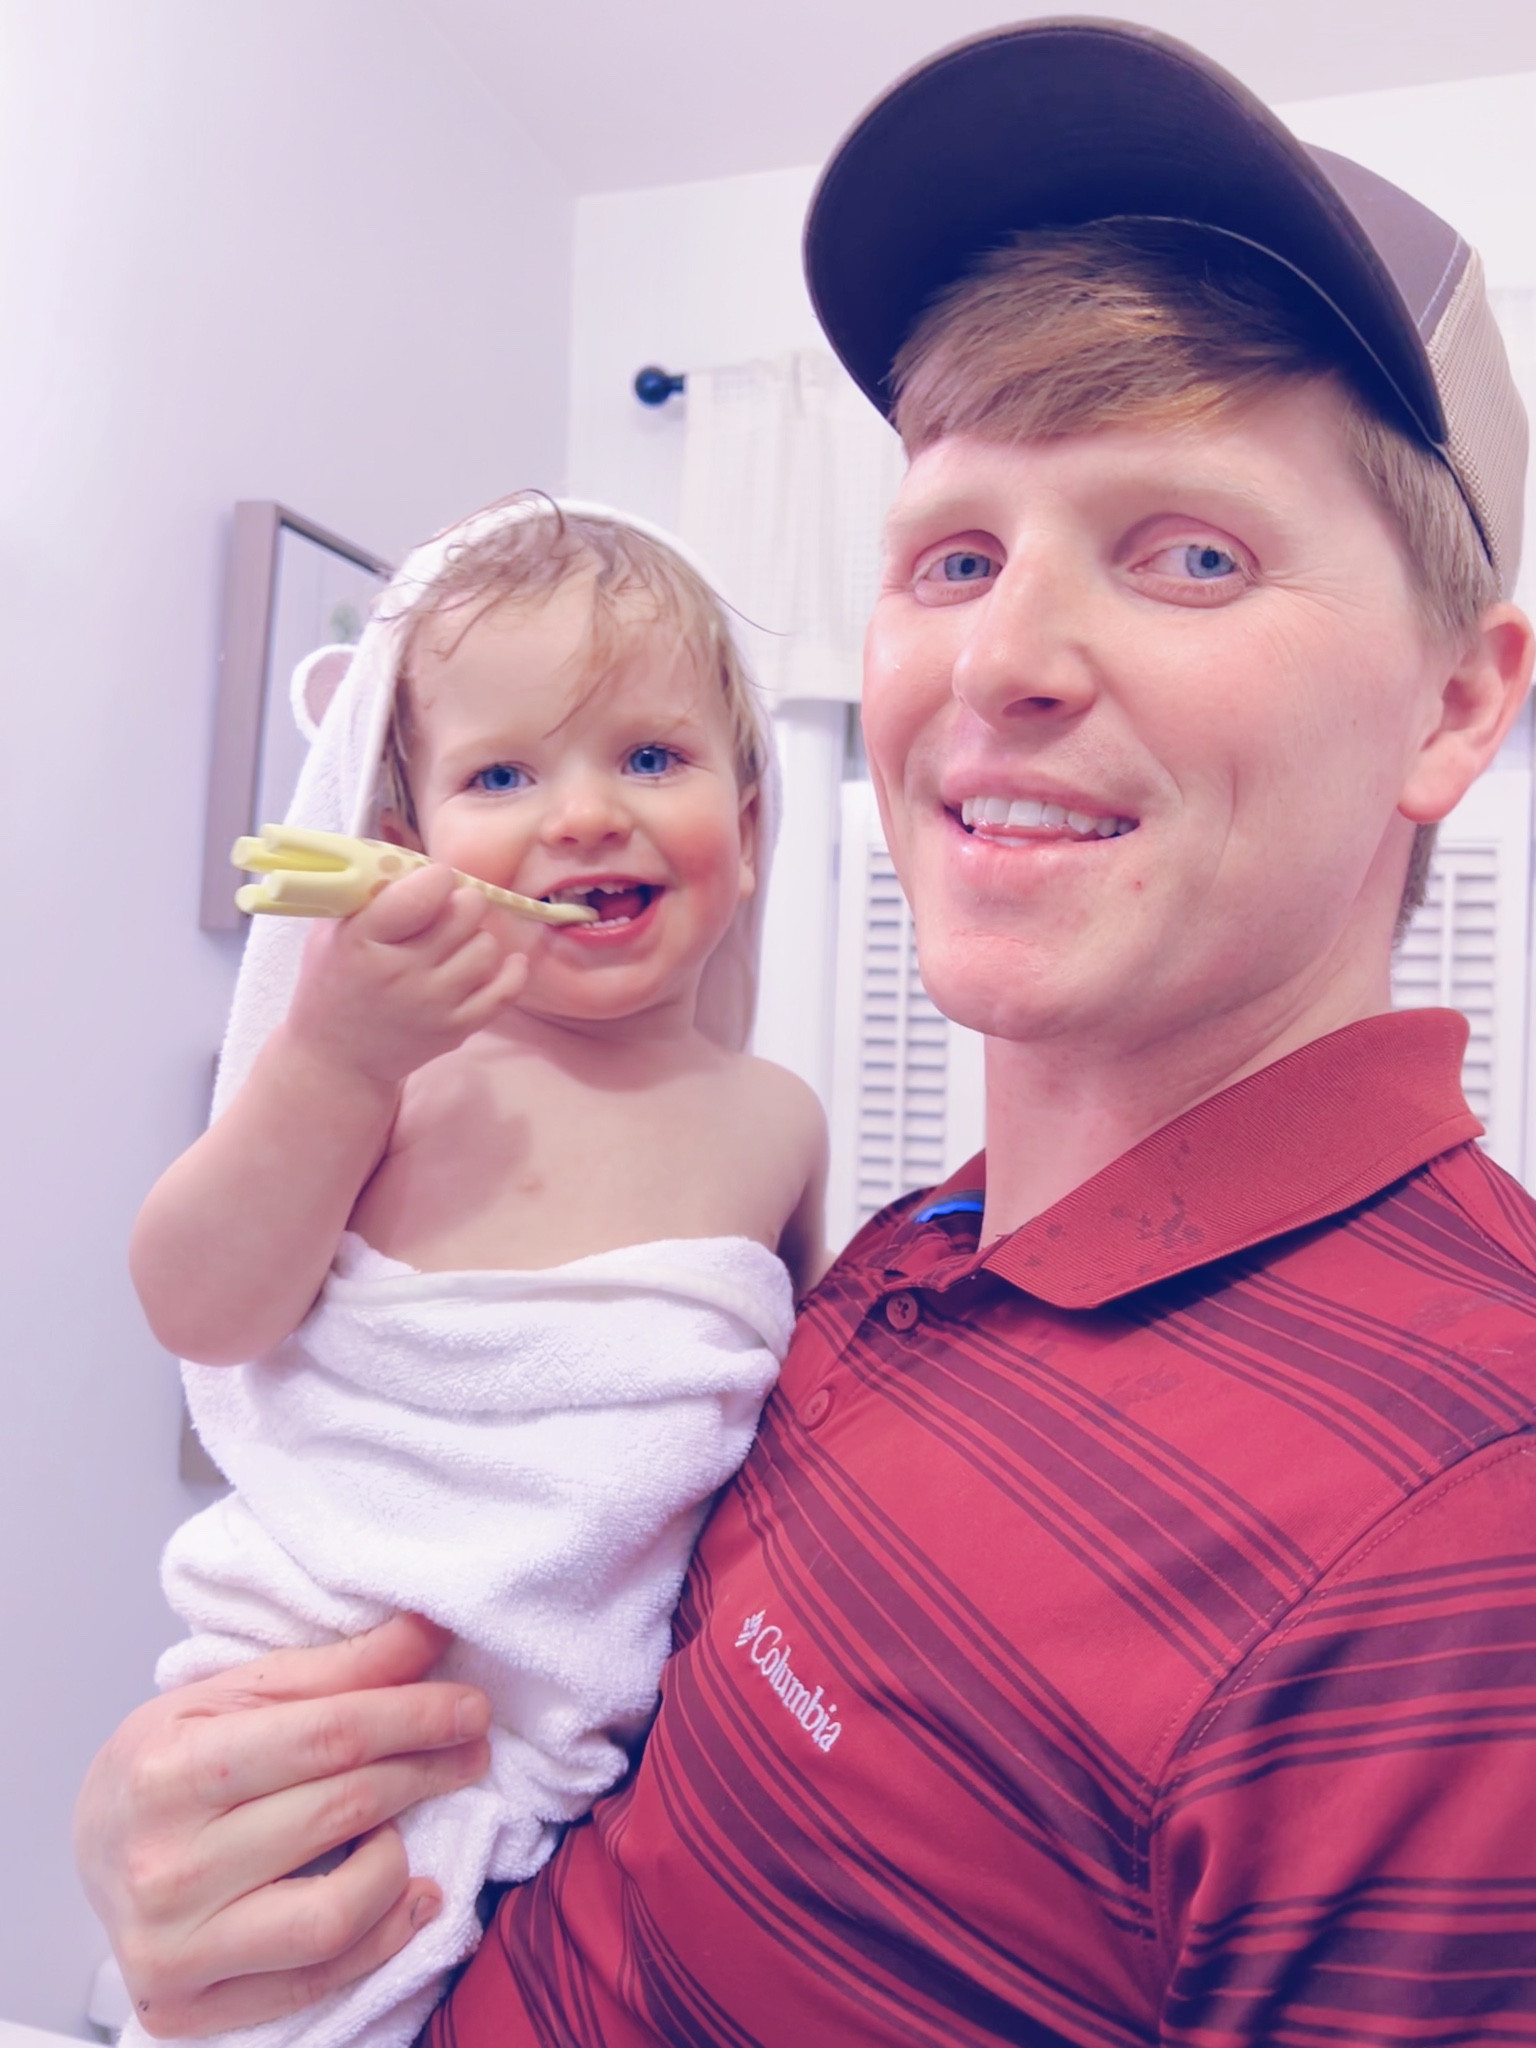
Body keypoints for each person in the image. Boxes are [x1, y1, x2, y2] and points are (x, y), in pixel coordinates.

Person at [78, 21, 1536, 2047]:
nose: (999, 660)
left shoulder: (1475, 1535)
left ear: (1461, 705)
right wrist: (231, 1879)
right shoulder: (896, 1269)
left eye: (1189, 552)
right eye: (952, 554)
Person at [119, 495, 826, 2048]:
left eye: (651, 757)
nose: (582, 815)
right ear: (413, 843)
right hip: (333, 1726)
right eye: (501, 773)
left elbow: (784, 1434)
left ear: (752, 827)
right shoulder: (410, 1076)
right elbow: (199, 1305)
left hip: (589, 1762)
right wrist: (332, 1059)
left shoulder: (776, 1122)